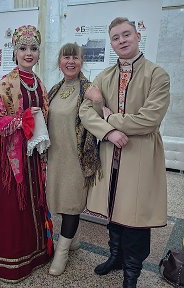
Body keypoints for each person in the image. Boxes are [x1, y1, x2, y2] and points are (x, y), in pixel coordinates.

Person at [79, 17, 170, 288]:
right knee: (113, 210)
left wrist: (112, 118)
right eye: (116, 38)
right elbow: (86, 111)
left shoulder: (157, 75)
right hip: (110, 155)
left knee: (135, 218)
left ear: (137, 35)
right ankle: (115, 256)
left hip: (138, 156)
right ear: (112, 43)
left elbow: (149, 120)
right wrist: (108, 132)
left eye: (126, 34)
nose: (122, 40)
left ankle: (132, 273)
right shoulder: (104, 76)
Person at [0, 25, 53, 282]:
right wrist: (22, 119)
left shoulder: (39, 83)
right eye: (23, 48)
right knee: (11, 209)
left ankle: (36, 252)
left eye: (33, 48)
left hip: (32, 156)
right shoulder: (7, 82)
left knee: (33, 203)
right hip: (10, 158)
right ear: (15, 52)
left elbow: (45, 116)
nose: (29, 53)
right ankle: (5, 260)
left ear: (39, 53)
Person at [46, 43, 102, 276]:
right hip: (55, 158)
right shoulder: (55, 89)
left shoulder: (88, 89)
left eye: (75, 58)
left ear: (82, 61)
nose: (70, 62)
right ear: (59, 61)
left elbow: (99, 119)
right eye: (66, 57)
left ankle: (62, 252)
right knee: (58, 202)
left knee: (71, 205)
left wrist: (98, 101)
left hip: (77, 159)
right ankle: (74, 239)